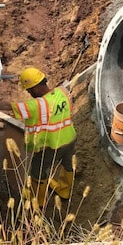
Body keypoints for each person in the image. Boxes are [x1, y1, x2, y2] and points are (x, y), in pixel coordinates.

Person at [10, 66, 77, 208]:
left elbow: (9, 107)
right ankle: (64, 191)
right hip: (70, 138)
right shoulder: (62, 92)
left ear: (34, 89)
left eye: (28, 90)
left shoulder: (36, 105)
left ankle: (37, 201)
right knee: (68, 165)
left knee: (37, 170)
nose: (29, 93)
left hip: (51, 145)